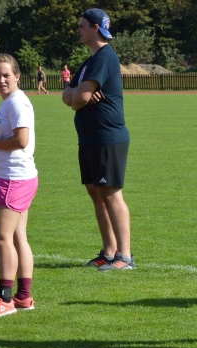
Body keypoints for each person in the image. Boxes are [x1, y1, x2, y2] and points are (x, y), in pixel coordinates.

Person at [61, 8, 134, 272]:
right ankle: (109, 251)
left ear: (94, 28)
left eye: (82, 26)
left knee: (111, 193)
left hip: (107, 137)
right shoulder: (89, 61)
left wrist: (75, 94)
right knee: (96, 193)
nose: (79, 30)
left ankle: (125, 256)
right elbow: (68, 95)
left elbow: (77, 99)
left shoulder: (104, 57)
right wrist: (74, 93)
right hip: (90, 138)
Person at [0, 53, 38, 317]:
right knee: (17, 237)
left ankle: (5, 299)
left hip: (14, 178)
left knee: (2, 239)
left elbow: (21, 140)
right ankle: (23, 297)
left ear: (17, 75)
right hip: (17, 176)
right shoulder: (10, 102)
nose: (1, 79)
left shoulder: (16, 103)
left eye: (6, 74)